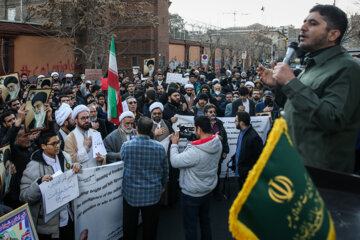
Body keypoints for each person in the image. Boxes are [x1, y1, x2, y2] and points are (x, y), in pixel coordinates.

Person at [257, 5, 360, 173]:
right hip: (294, 167)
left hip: (320, 177)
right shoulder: (313, 66)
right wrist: (279, 85)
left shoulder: (346, 68)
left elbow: (332, 119)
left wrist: (290, 82)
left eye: (312, 23)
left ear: (333, 34)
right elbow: (295, 105)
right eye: (304, 22)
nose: (303, 27)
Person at [20, 130, 81, 239]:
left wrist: (75, 167)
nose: (57, 146)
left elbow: (70, 174)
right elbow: (24, 197)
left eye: (58, 142)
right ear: (43, 146)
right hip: (48, 227)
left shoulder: (65, 157)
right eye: (53, 144)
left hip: (68, 218)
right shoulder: (33, 166)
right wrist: (39, 183)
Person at [169, 116, 222, 240]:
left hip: (191, 194)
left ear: (198, 129)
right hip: (207, 190)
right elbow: (214, 137)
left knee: (191, 226)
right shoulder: (217, 142)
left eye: (194, 129)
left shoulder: (195, 151)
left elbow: (175, 162)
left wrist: (174, 144)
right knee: (206, 222)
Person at [120, 117, 168, 240]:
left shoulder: (126, 146)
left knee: (130, 228)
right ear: (152, 129)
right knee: (150, 229)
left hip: (131, 194)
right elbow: (165, 170)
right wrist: (163, 185)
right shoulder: (159, 148)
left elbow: (123, 161)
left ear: (136, 128)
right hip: (152, 194)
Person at [229, 112, 263, 189]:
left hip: (247, 176)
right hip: (240, 173)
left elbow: (260, 157)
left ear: (241, 122)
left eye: (236, 120)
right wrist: (234, 157)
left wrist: (251, 171)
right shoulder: (242, 132)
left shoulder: (253, 137)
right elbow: (242, 149)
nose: (235, 122)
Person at [204, 104, 229, 200]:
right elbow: (201, 137)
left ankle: (216, 192)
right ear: (205, 113)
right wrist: (214, 137)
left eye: (214, 112)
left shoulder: (219, 123)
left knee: (217, 173)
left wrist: (225, 150)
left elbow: (225, 138)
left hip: (218, 153)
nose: (213, 113)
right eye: (210, 112)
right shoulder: (202, 123)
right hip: (206, 153)